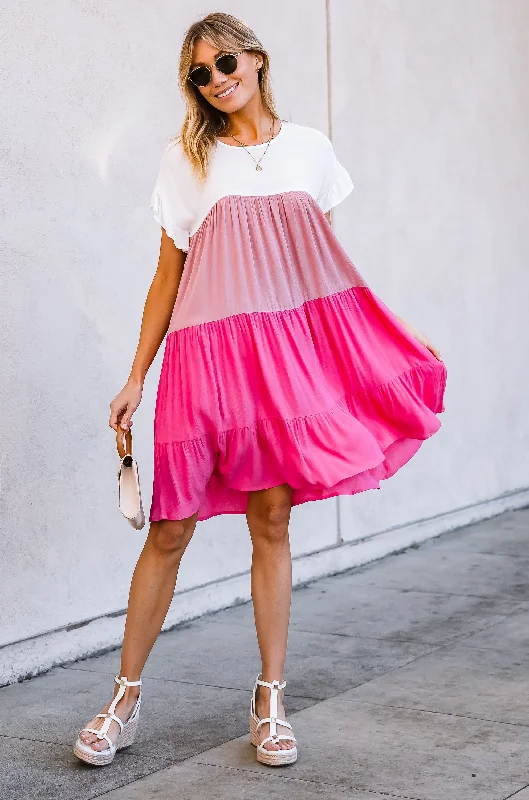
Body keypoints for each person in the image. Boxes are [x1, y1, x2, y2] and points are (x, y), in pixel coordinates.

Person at [74, 11, 447, 769]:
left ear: (255, 58)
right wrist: (135, 374)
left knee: (270, 520)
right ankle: (123, 697)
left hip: (280, 365)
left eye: (223, 62)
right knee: (170, 527)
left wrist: (391, 328)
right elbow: (166, 276)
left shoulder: (309, 149)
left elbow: (324, 266)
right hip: (204, 360)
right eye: (199, 75)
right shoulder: (185, 158)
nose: (215, 80)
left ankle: (270, 695)